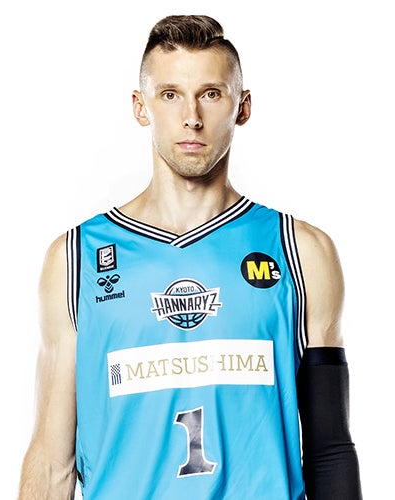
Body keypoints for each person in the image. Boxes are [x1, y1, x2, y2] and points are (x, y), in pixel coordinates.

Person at [19, 15, 362, 499]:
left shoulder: (301, 250)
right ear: (141, 107)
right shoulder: (76, 258)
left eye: (211, 93)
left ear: (243, 107)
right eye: (170, 94)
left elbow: (330, 451)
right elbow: (52, 460)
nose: (192, 117)